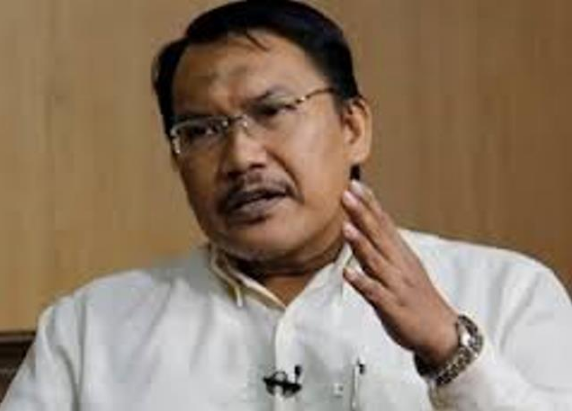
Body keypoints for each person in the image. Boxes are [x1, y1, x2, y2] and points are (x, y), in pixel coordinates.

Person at [2, 1, 572, 410]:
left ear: (352, 127)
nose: (241, 156)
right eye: (200, 131)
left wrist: (450, 351)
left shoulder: (508, 293)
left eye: (272, 111)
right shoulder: (89, 330)